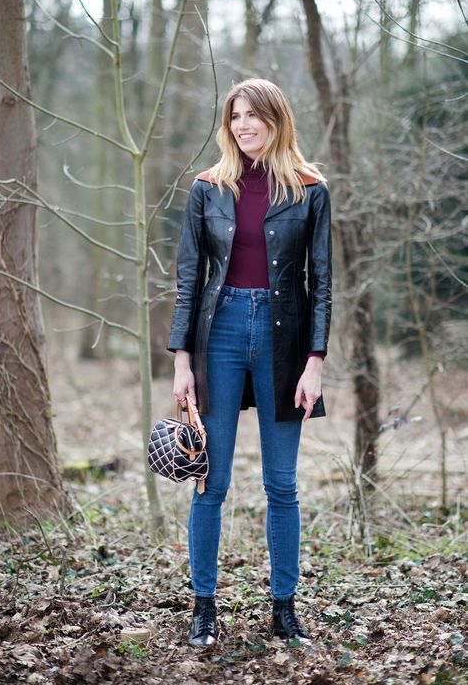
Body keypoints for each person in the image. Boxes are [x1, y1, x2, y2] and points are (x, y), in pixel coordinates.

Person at [168, 78, 332, 648]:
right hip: (222, 334)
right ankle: (204, 608)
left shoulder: (309, 189)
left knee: (281, 484)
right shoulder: (207, 188)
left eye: (254, 116)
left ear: (276, 120)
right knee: (209, 483)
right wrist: (181, 360)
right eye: (235, 116)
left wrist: (316, 360)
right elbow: (189, 281)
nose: (244, 125)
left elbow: (322, 283)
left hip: (286, 341)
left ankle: (284, 608)